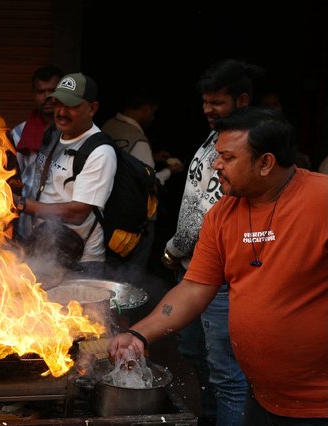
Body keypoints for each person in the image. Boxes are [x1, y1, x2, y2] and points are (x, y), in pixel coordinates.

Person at [110, 106, 328, 425]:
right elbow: (195, 287)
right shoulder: (222, 213)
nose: (216, 164)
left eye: (227, 157)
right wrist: (139, 334)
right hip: (264, 399)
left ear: (265, 162)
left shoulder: (321, 201)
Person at [162, 59, 261, 425]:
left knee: (227, 376)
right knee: (196, 358)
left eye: (217, 102)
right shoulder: (213, 139)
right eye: (205, 102)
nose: (208, 109)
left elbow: (207, 215)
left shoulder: (244, 148)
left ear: (243, 100)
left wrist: (174, 248)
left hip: (218, 278)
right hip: (194, 270)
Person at [14, 72, 116, 282]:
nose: (61, 112)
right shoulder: (53, 133)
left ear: (92, 108)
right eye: (58, 104)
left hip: (80, 262)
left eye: (71, 106)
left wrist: (23, 205)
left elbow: (77, 213)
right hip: (44, 250)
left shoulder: (100, 152)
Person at [101, 87, 183, 270]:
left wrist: (151, 158)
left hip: (108, 211)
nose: (152, 118)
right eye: (152, 112)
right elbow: (151, 183)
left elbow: (121, 164)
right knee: (132, 271)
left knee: (110, 267)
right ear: (146, 108)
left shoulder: (108, 126)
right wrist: (170, 170)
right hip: (134, 220)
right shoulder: (139, 140)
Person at [9, 64, 64, 241]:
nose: (47, 97)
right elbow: (12, 178)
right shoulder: (18, 133)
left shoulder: (73, 134)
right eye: (41, 92)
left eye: (52, 91)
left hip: (63, 229)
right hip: (26, 228)